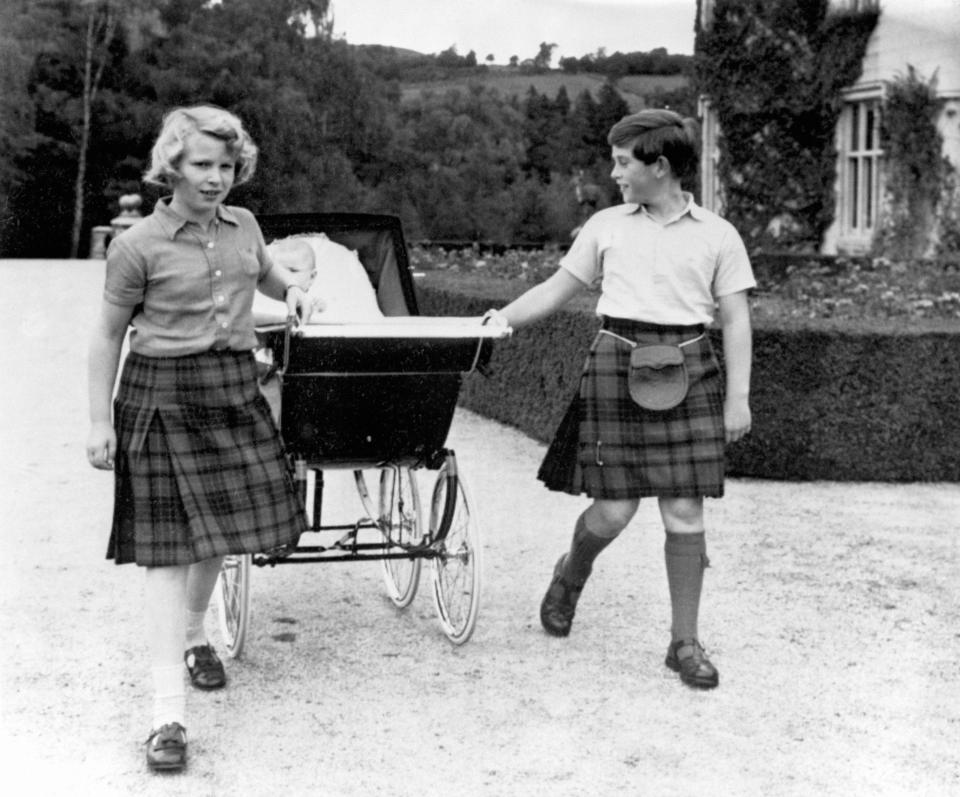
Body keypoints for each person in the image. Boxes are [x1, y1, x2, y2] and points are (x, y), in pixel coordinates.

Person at [485, 109, 754, 690]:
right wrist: (500, 320)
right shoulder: (606, 225)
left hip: (690, 367)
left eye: (623, 162)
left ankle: (684, 641)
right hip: (616, 360)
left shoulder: (717, 234)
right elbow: (557, 290)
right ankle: (570, 574)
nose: (614, 173)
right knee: (613, 511)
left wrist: (740, 399)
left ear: (660, 167)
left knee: (684, 511)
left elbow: (735, 318)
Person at [86, 105, 315, 772]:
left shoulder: (245, 225)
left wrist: (296, 289)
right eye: (201, 165)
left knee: (222, 534)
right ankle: (167, 715)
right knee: (165, 554)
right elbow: (105, 335)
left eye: (225, 165)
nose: (216, 178)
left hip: (231, 389)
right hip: (158, 396)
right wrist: (98, 421)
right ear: (173, 169)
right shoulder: (137, 245)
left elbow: (268, 275)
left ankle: (195, 630)